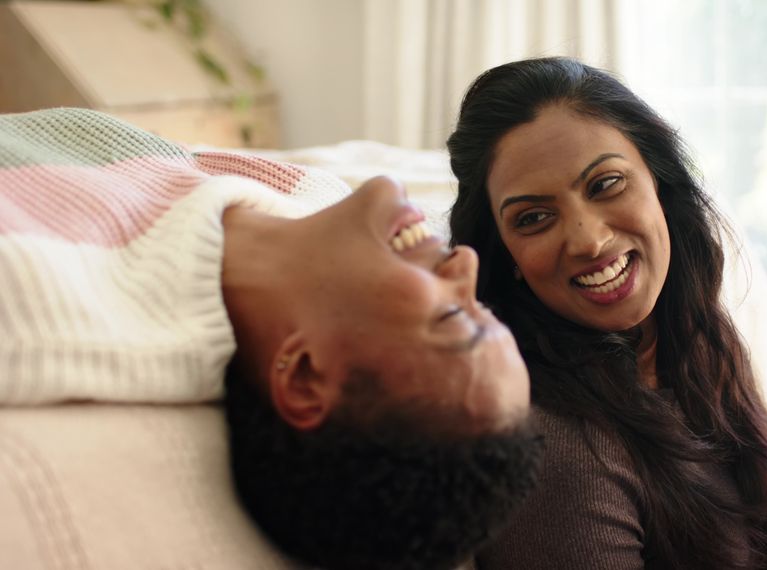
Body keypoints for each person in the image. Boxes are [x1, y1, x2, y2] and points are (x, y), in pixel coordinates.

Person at [447, 57, 767, 569]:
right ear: (505, 255)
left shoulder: (694, 340)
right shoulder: (557, 453)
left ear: (659, 181)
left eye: (605, 185)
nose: (590, 239)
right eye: (535, 218)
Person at [0, 107, 542, 570]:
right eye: (483, 307)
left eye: (453, 318)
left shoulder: (40, 295)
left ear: (305, 376)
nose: (465, 264)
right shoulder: (315, 201)